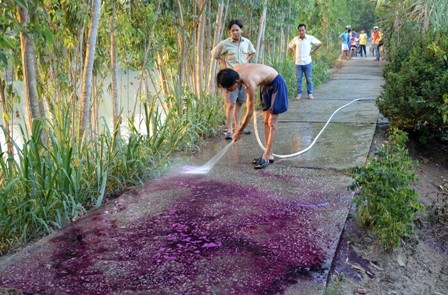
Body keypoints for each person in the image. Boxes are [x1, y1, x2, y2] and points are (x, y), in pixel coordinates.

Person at [216, 64, 288, 169]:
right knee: (265, 122)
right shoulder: (234, 72)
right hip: (266, 86)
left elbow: (250, 112)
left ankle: (268, 154)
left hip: (276, 83)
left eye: (229, 88)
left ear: (236, 82)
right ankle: (268, 154)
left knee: (272, 122)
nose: (228, 90)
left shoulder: (249, 82)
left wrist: (240, 131)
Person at [211, 19, 256, 140]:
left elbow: (253, 52)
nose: (235, 32)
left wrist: (246, 60)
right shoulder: (225, 43)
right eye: (232, 30)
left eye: (237, 30)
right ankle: (230, 130)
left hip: (243, 78)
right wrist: (223, 63)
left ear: (241, 30)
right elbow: (214, 54)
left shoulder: (246, 42)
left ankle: (239, 127)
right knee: (231, 104)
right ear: (229, 32)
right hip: (231, 79)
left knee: (240, 103)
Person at [288, 23, 322, 100]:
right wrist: (293, 53)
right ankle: (299, 94)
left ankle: (310, 93)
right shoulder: (296, 39)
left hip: (307, 62)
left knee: (309, 78)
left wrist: (313, 50)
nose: (301, 32)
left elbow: (319, 43)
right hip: (298, 62)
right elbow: (290, 46)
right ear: (298, 31)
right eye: (300, 30)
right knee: (298, 79)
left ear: (305, 30)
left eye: (303, 30)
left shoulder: (310, 38)